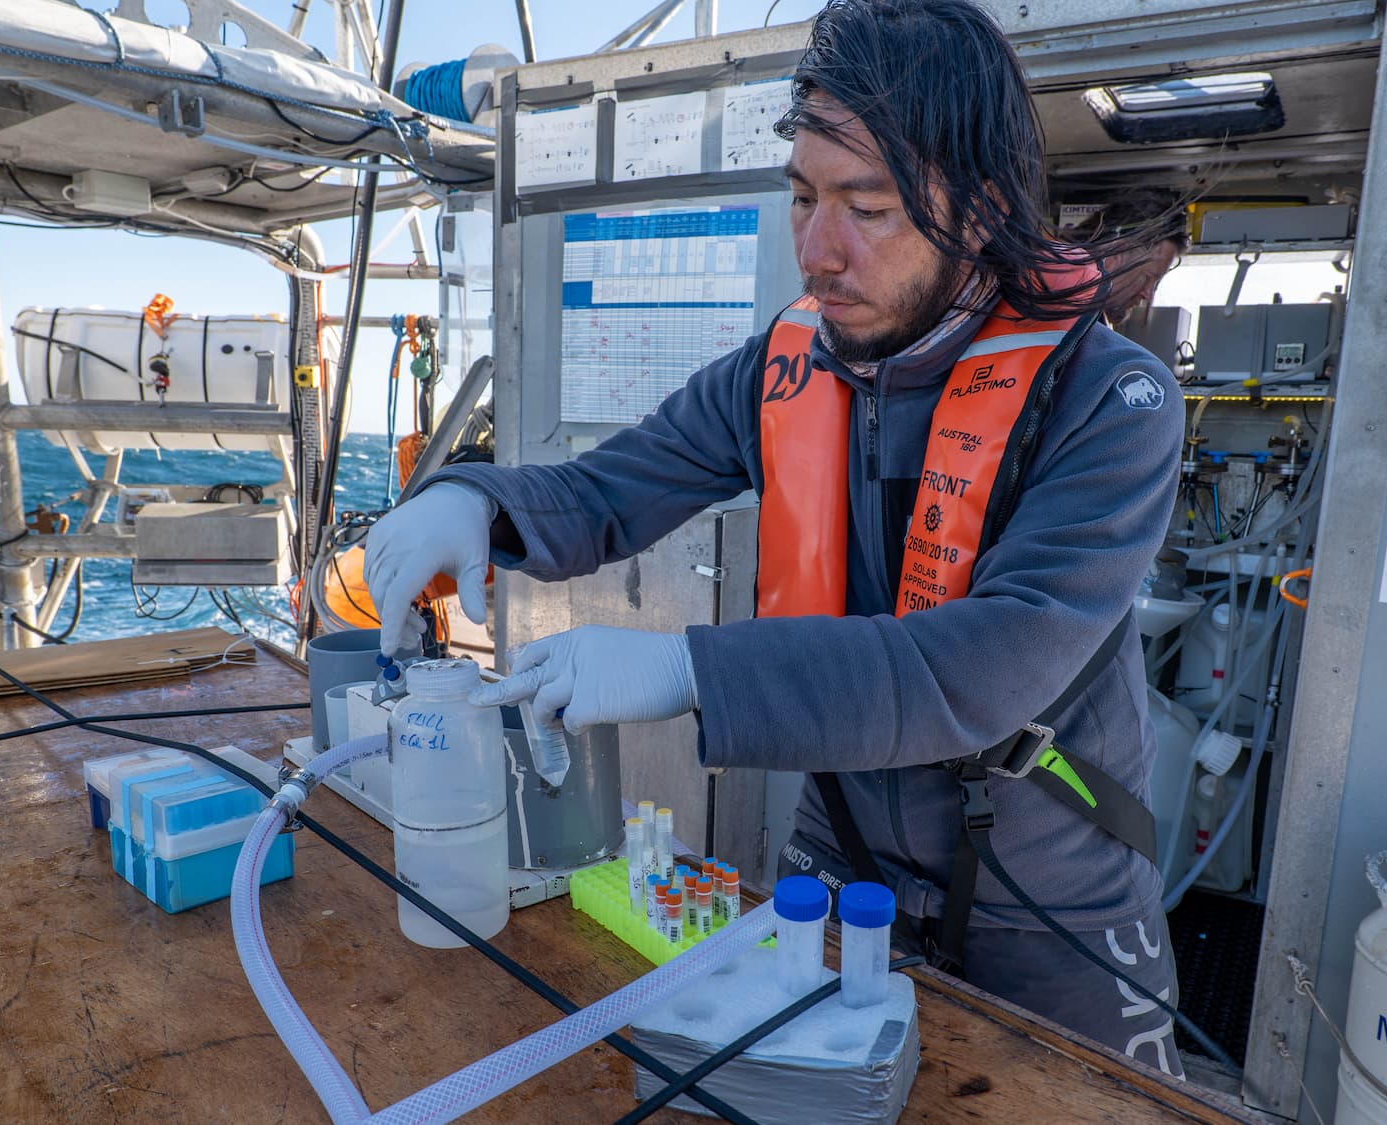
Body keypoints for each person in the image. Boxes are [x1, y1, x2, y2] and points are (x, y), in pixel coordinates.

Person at [365, 0, 1186, 1076]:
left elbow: (979, 670)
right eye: (802, 198)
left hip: (1052, 894)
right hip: (836, 860)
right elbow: (615, 486)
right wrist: (480, 501)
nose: (816, 251)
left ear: (982, 210)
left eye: (868, 208)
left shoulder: (1110, 399)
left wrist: (682, 668)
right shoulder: (779, 369)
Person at [1070, 194, 1192, 326]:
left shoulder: (1078, 325)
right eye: (1147, 278)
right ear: (1113, 257)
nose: (1148, 296)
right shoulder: (1056, 317)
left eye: (1155, 284)